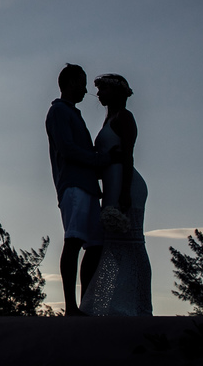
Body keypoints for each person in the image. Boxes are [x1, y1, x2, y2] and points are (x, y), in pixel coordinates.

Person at [80, 73, 153, 316]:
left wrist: (124, 193)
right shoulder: (108, 120)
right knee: (110, 247)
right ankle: (104, 305)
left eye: (103, 90)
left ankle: (138, 303)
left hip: (126, 186)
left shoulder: (124, 117)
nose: (98, 94)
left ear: (116, 92)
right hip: (112, 185)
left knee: (131, 245)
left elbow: (129, 155)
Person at [46, 63, 114, 316]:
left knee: (95, 244)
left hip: (87, 186)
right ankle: (71, 305)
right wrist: (100, 160)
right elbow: (68, 149)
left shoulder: (73, 114)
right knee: (74, 240)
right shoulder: (59, 113)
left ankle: (85, 301)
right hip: (73, 185)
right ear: (72, 83)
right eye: (83, 83)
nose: (87, 90)